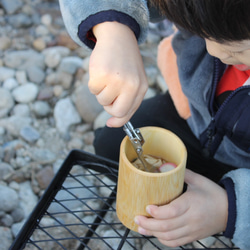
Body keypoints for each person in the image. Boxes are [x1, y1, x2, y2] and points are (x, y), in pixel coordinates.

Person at [58, 0, 250, 248]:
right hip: (198, 120)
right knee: (111, 144)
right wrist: (112, 30)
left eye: (238, 48)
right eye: (202, 32)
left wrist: (231, 210)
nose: (214, 51)